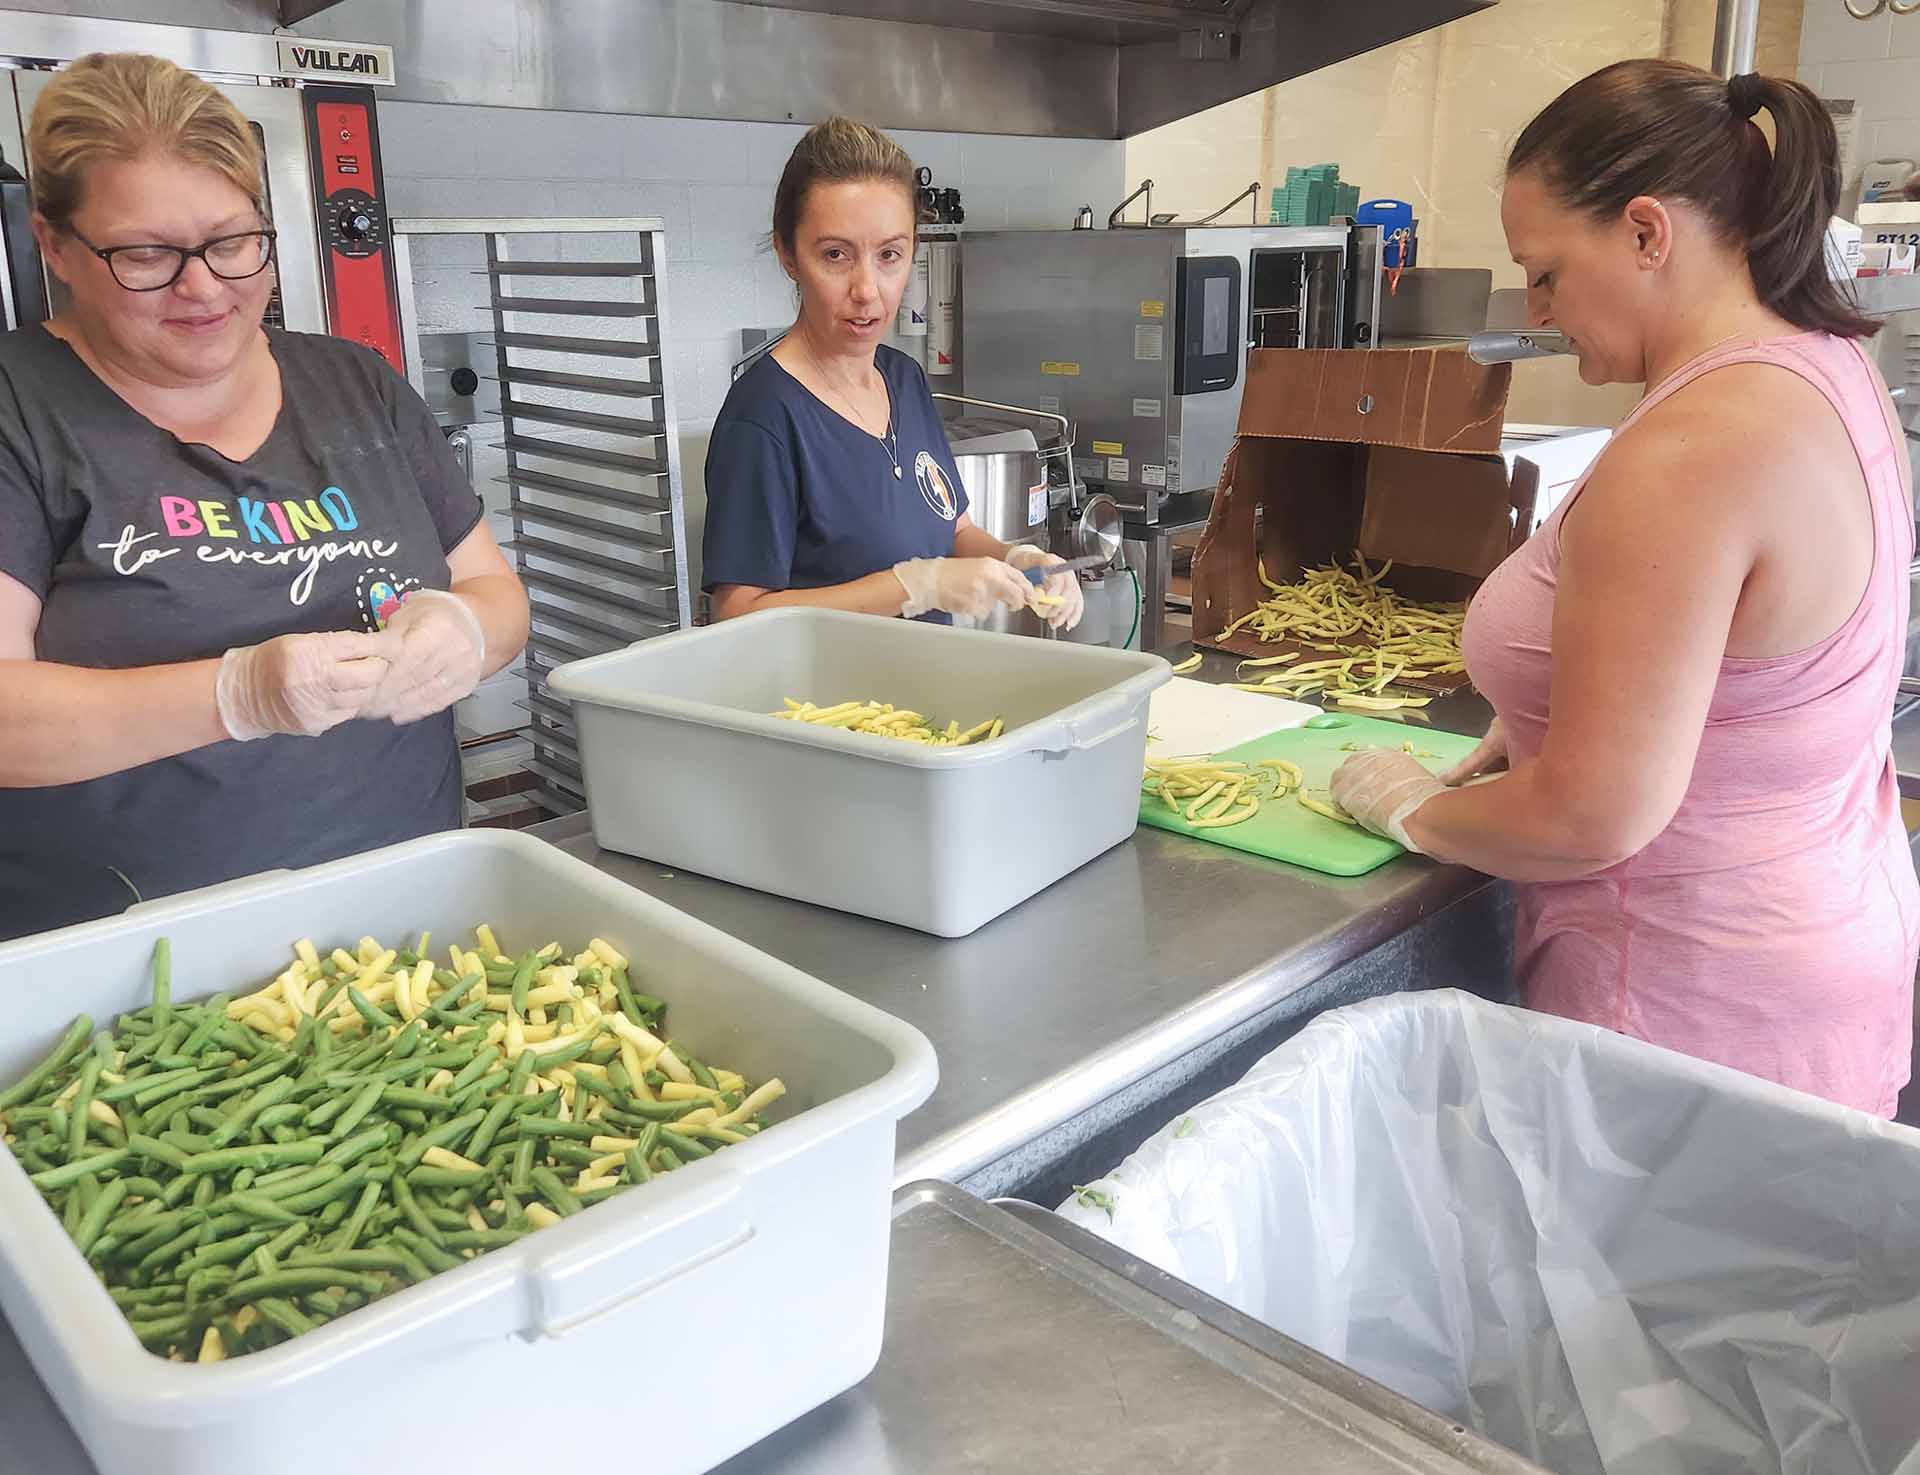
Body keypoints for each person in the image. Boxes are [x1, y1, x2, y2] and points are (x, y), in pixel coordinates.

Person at [1331, 61, 1917, 1116]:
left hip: (1686, 1024)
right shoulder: (1829, 365)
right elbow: (1755, 665)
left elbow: (1598, 813)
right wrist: (1560, 708)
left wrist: (1413, 808)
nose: (1543, 310)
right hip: (1819, 978)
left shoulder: (1694, 443)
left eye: (1547, 271)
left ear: (1648, 233)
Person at [0, 53, 529, 941]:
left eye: (232, 242)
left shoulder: (356, 385)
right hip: (136, 966)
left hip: (407, 925)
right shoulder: (21, 408)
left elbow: (495, 595)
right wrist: (237, 693)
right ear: (55, 245)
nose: (204, 286)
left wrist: (462, 630)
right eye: (146, 255)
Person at [702, 117, 1082, 632]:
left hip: (924, 698)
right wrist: (913, 587)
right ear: (788, 254)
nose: (867, 289)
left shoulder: (902, 378)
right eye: (835, 255)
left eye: (889, 256)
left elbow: (952, 529)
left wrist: (1019, 560)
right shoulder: (764, 415)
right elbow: (736, 614)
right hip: (825, 709)